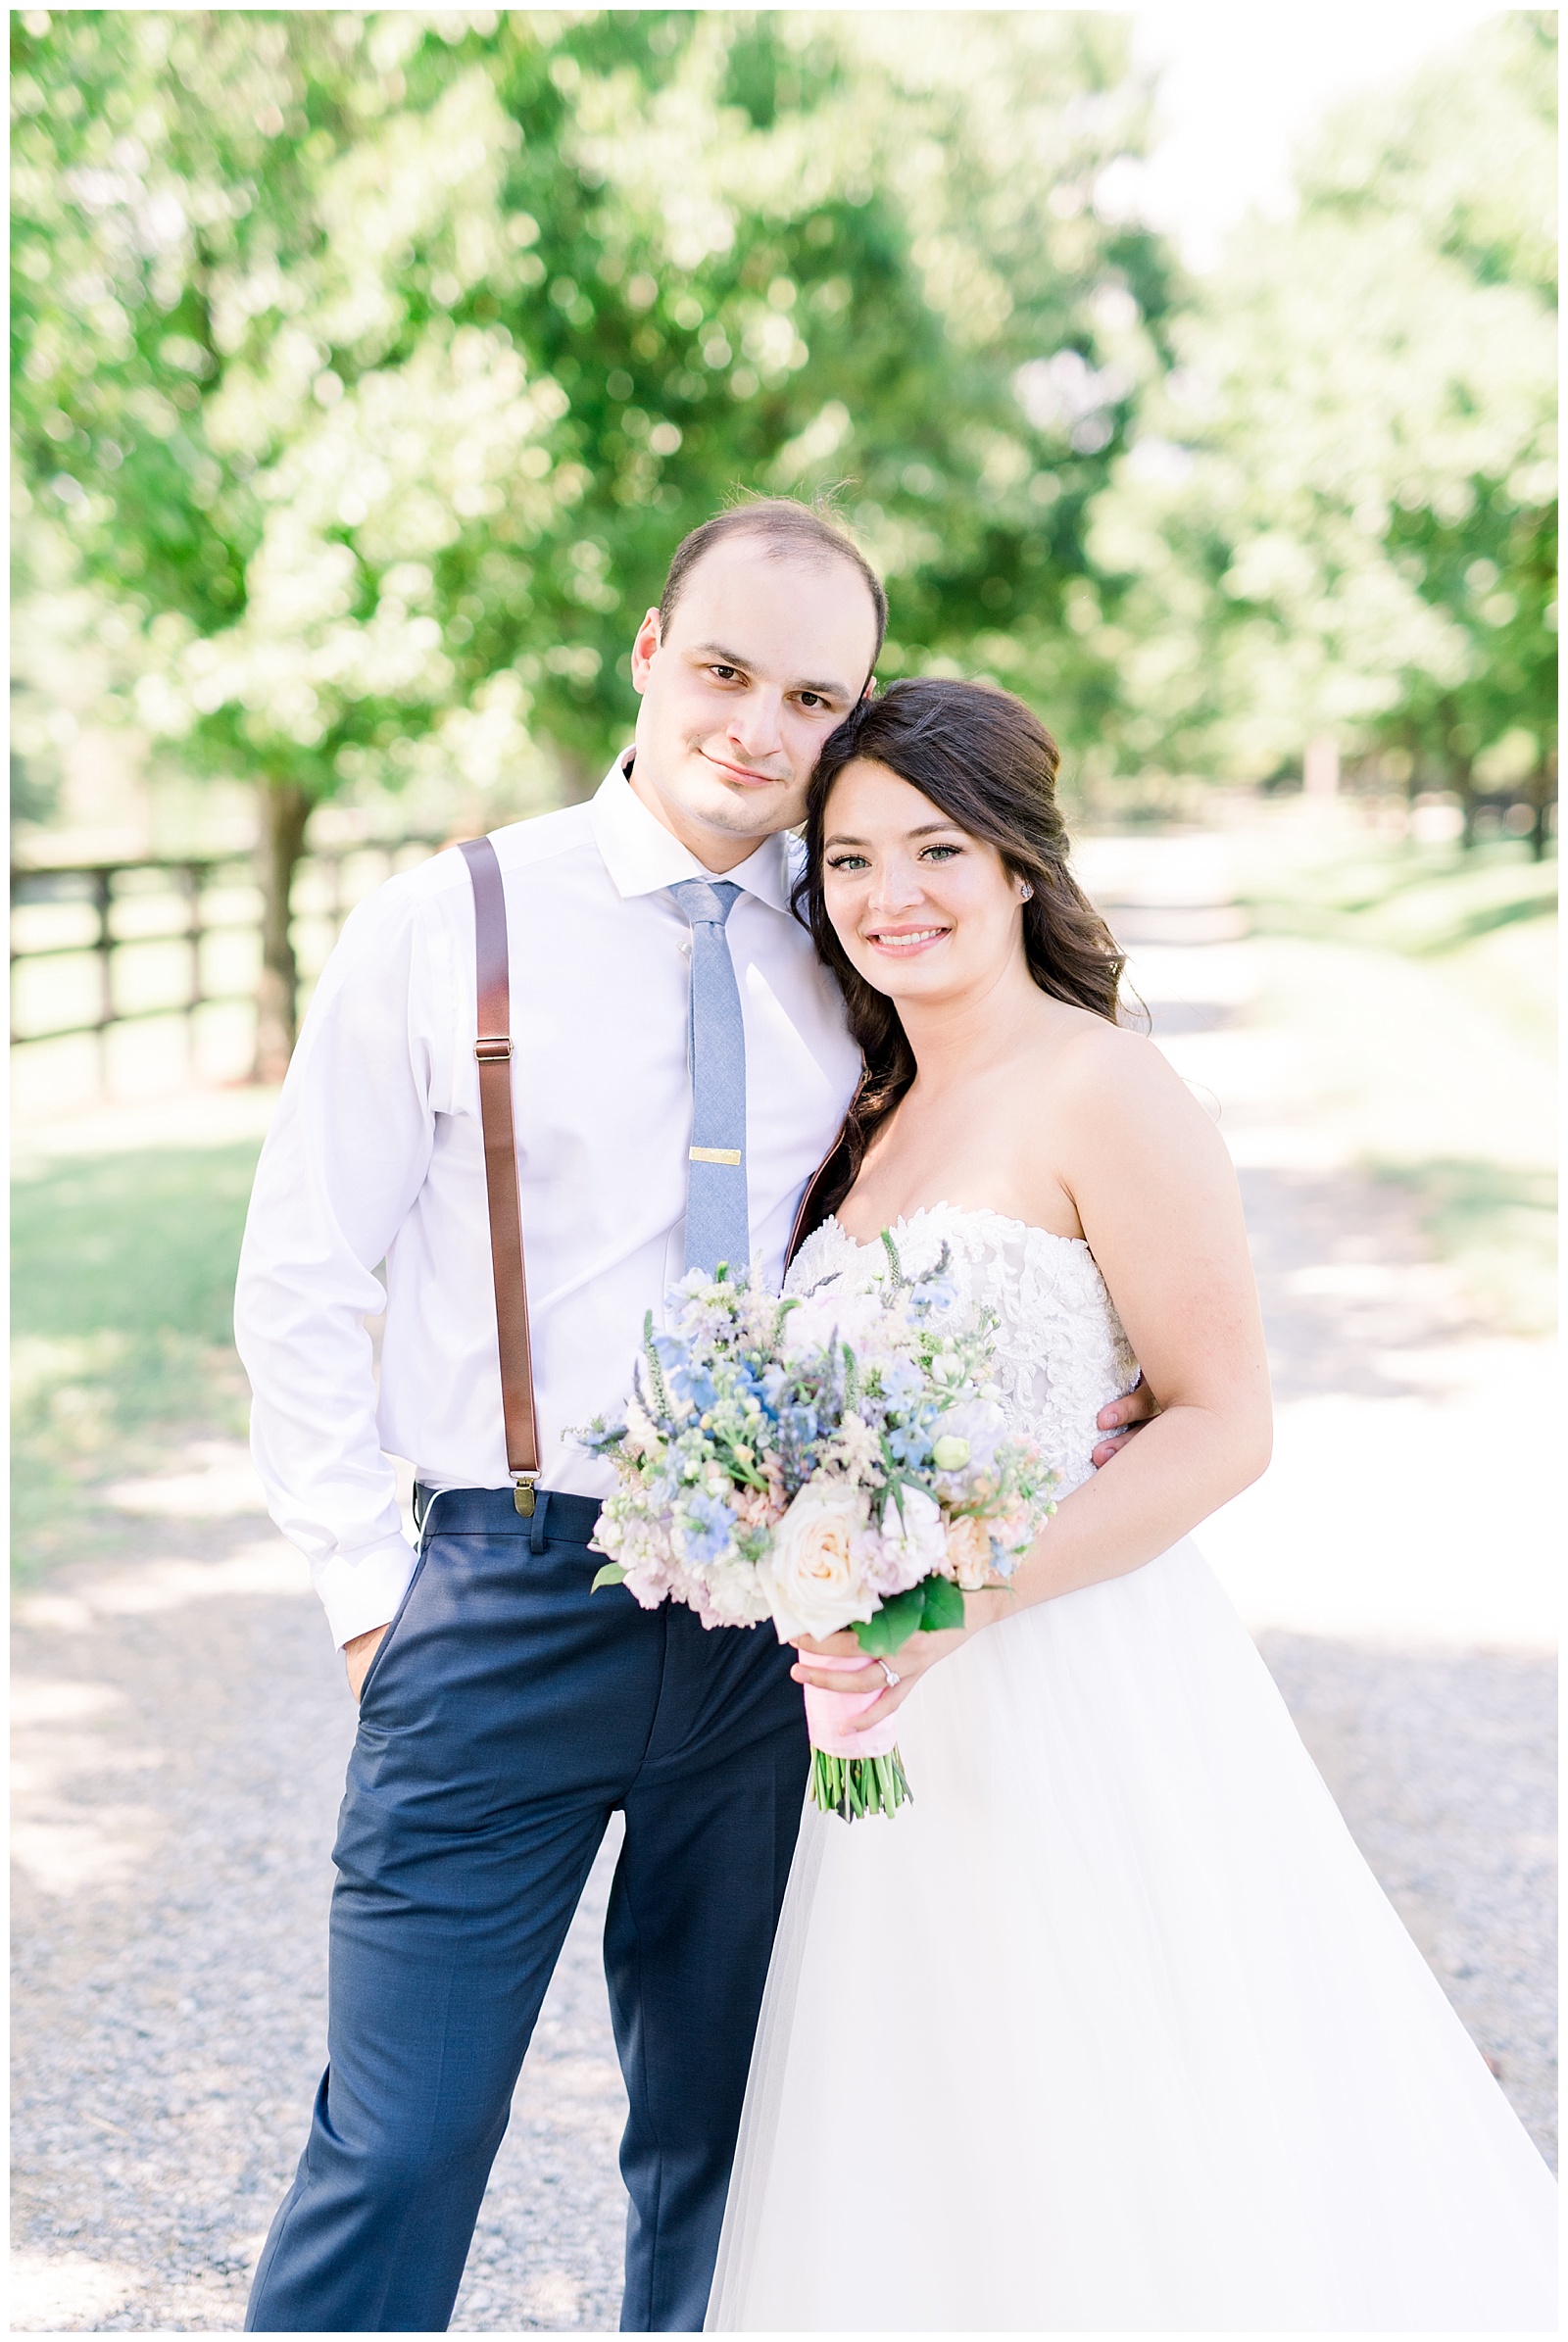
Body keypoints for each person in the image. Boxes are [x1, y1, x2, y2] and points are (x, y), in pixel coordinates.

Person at [234, 499, 1156, 2333]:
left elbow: (999, 1204)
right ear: (651, 655)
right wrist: (366, 1596)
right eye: (726, 669)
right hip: (501, 1591)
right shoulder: (452, 919)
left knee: (732, 2140)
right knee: (404, 2135)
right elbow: (300, 1279)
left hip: (778, 1625)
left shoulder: (863, 944)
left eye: (814, 695)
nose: (757, 725)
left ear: (853, 713)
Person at [704, 675, 1558, 2334]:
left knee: (1124, 2137)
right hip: (891, 1725)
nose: (894, 898)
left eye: (938, 848)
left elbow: (1224, 1423)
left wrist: (955, 1600)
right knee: (932, 2148)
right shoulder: (870, 1110)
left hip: (1072, 1691)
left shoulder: (1105, 1087)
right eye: (853, 860)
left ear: (1021, 863)